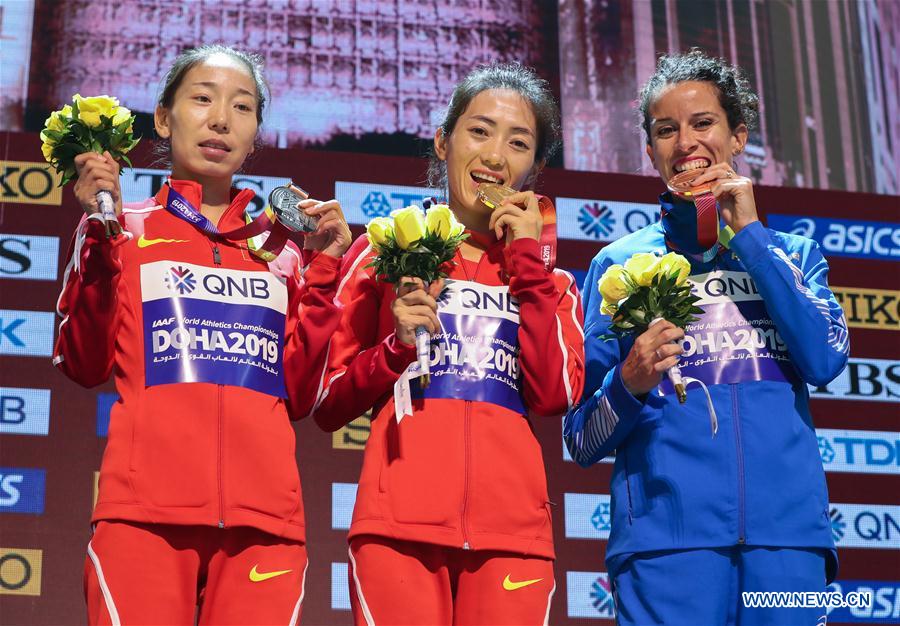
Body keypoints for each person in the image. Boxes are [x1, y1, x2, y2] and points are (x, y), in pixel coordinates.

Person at [53, 44, 351, 624]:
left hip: (265, 528)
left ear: (256, 131)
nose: (221, 119)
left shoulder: (282, 253)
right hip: (142, 518)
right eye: (202, 99)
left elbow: (299, 392)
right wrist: (98, 236)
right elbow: (83, 363)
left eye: (242, 108)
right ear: (163, 118)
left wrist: (323, 273)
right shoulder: (123, 229)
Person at [563, 49, 849, 626]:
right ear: (650, 151)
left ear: (737, 134)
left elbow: (824, 357)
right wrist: (630, 382)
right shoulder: (617, 267)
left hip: (788, 542)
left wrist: (749, 235)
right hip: (665, 548)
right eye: (666, 130)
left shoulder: (792, 255)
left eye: (703, 123)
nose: (685, 142)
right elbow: (582, 438)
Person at [311, 63, 584, 625]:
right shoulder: (385, 254)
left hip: (514, 539)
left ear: (534, 166)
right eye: (479, 132)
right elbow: (328, 401)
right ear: (443, 140)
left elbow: (554, 393)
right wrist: (395, 348)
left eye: (518, 142)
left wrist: (528, 263)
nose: (495, 156)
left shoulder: (549, 283)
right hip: (397, 530)